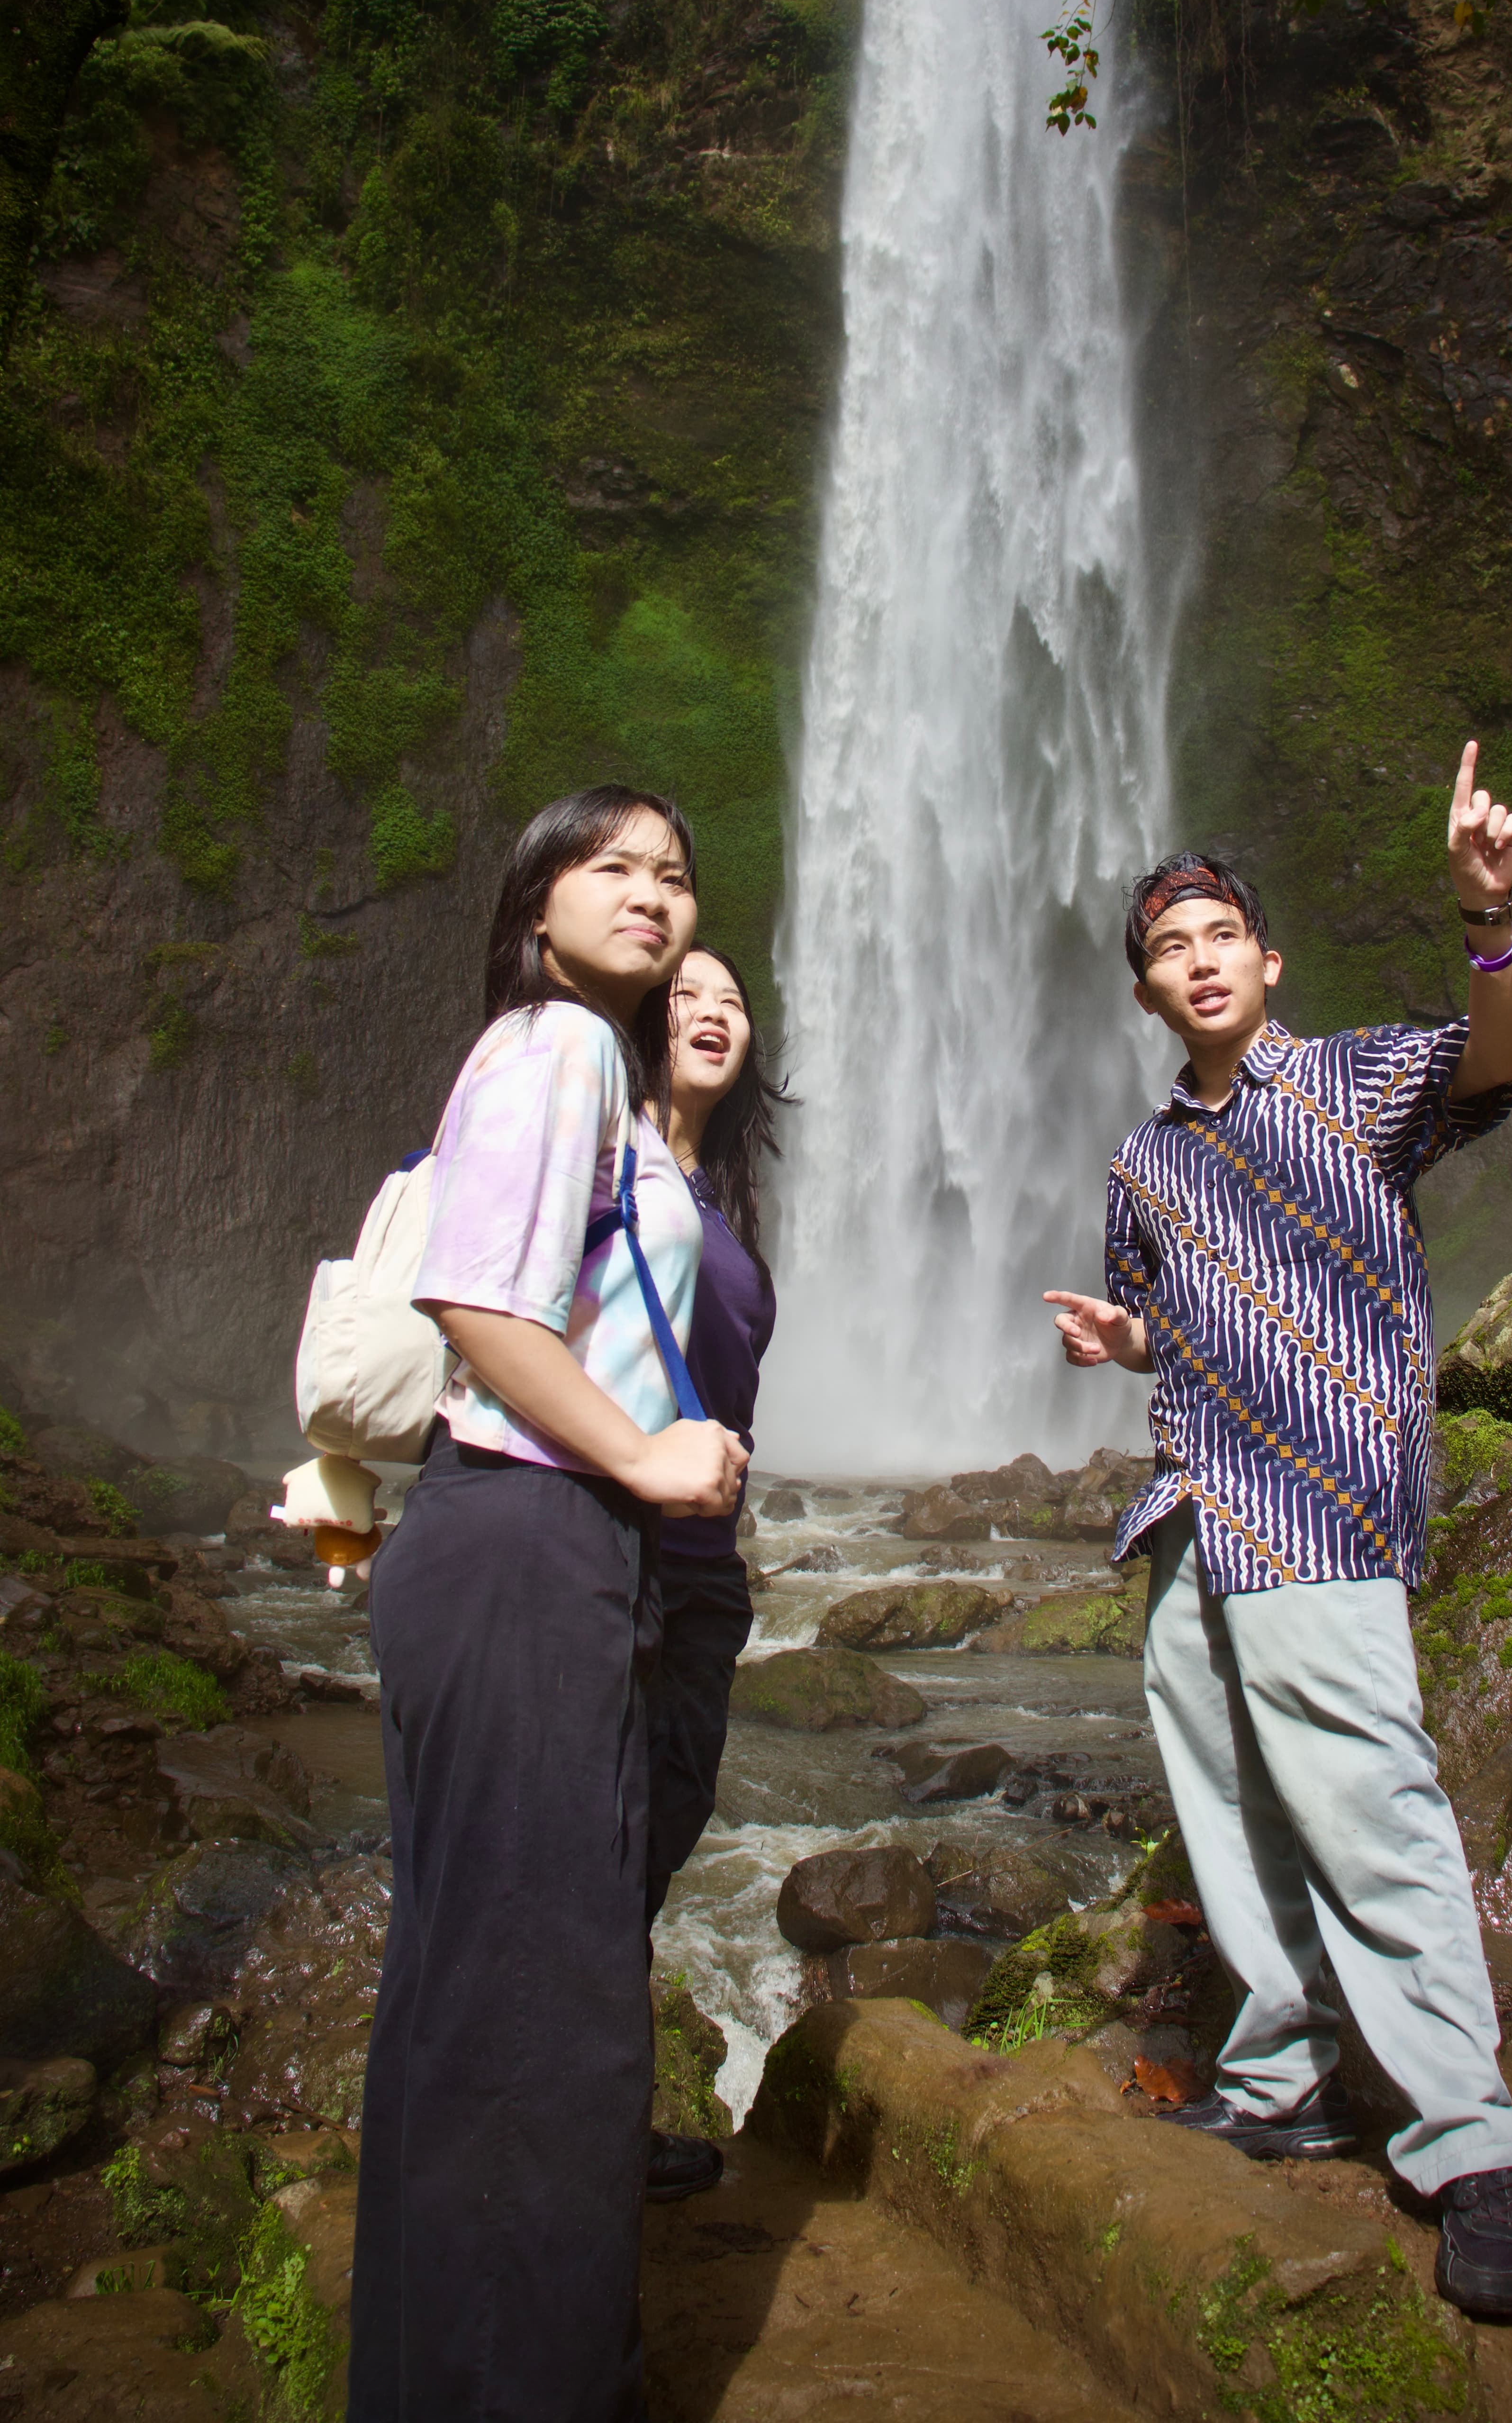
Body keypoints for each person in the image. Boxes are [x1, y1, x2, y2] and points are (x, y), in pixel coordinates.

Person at [1044, 742, 1512, 2322]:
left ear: (1268, 961)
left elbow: (1498, 1069)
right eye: (1164, 952)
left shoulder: (1361, 1082)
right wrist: (1122, 1350)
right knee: (1238, 1811)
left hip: (1321, 1494)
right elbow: (1163, 1319)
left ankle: (1473, 2148)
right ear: (1146, 996)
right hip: (1192, 1512)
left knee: (1371, 1806)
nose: (1194, 964)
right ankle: (1286, 2077)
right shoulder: (1144, 1164)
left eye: (1216, 938)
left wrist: (1492, 918)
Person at [348, 786, 749, 2423]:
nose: (653, 895)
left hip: (513, 1546)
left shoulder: (581, 1062)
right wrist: (647, 1460)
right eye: (614, 868)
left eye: (675, 870)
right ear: (539, 901)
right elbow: (476, 1299)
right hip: (529, 1533)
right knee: (543, 2026)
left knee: (487, 2000)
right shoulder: (565, 1043)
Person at [643, 945, 794, 2203]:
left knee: (657, 1825)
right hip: (611, 1558)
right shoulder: (599, 1160)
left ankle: (587, 2102)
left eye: (733, 1002)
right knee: (589, 1832)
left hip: (703, 1571)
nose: (711, 1012)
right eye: (685, 994)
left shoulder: (716, 1194)